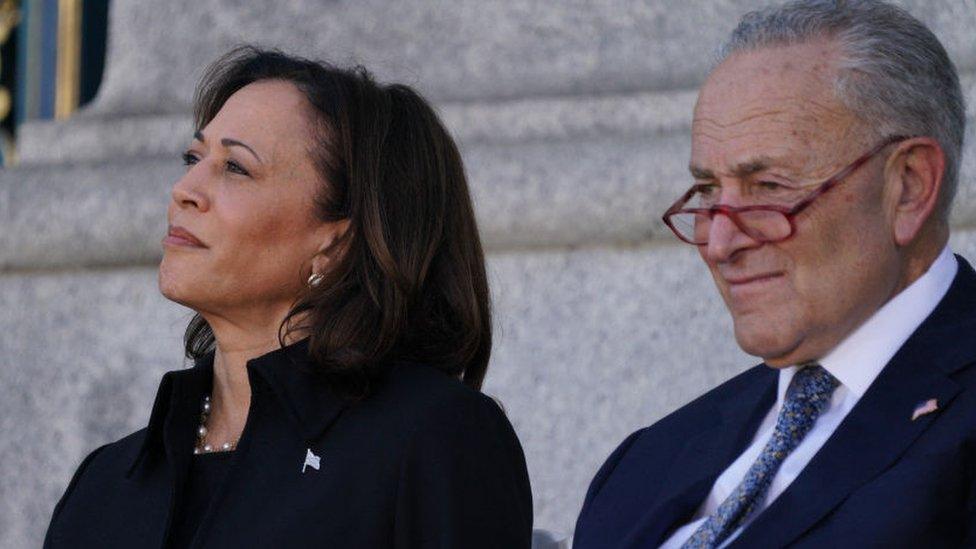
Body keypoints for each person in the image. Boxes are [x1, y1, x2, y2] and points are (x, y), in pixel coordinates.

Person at [44, 47, 533, 548]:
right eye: (194, 158)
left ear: (335, 243)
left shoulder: (431, 439)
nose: (185, 189)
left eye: (235, 167)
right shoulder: (106, 480)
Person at [574, 1, 973, 547]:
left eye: (769, 189)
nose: (719, 243)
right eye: (709, 193)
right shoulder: (648, 461)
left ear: (908, 186)